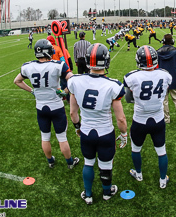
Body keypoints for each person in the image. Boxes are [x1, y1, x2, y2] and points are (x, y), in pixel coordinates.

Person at [67, 43, 127, 205]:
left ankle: (88, 195)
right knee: (106, 164)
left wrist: (78, 127)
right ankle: (107, 193)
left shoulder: (75, 81)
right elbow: (120, 118)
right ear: (106, 61)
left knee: (88, 162)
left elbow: (73, 113)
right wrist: (124, 134)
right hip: (105, 132)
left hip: (86, 131)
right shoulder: (113, 85)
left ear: (87, 61)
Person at [14, 39, 79, 169]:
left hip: (40, 107)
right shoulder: (57, 65)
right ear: (48, 51)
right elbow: (73, 80)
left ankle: (50, 161)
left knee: (45, 137)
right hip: (56, 106)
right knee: (61, 137)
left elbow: (17, 81)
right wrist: (64, 91)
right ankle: (70, 162)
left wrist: (32, 90)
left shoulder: (28, 66)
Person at [124, 46, 172, 188]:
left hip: (139, 119)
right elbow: (165, 93)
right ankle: (163, 180)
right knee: (161, 151)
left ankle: (138, 174)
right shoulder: (165, 75)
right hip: (158, 118)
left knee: (136, 148)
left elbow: (128, 99)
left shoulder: (131, 77)